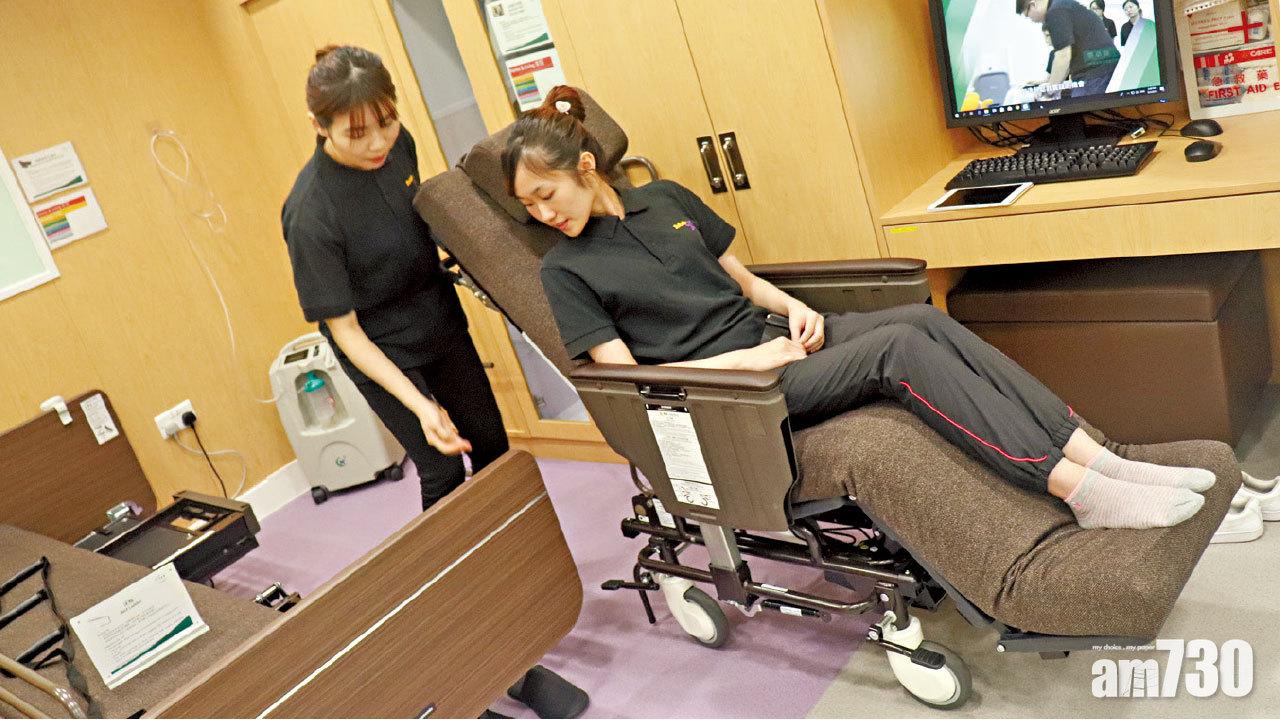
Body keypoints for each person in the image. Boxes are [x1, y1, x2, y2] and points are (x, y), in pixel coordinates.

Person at [502, 86, 1212, 531]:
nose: (543, 214)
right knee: (897, 350)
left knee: (924, 319)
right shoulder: (565, 269)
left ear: (586, 169)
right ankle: (1076, 489)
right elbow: (629, 382)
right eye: (528, 206)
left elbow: (742, 282)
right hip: (735, 392)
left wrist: (795, 309)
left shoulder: (665, 200)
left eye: (546, 195)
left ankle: (1098, 457)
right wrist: (749, 360)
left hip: (780, 342)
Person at [282, 45, 508, 511]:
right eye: (357, 133)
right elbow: (346, 332)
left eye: (386, 122)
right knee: (443, 469)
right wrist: (422, 406)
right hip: (379, 345)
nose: (378, 143)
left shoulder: (398, 144)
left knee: (491, 445)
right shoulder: (310, 214)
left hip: (437, 317)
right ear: (319, 126)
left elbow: (414, 220)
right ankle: (451, 560)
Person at [1017, 0, 1122, 98]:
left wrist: (1050, 90)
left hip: (1095, 75)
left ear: (1033, 5)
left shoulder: (1055, 12)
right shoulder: (1062, 5)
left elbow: (1063, 56)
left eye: (1028, 15)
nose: (1032, 20)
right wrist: (1050, 83)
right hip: (1103, 71)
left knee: (1075, 107)